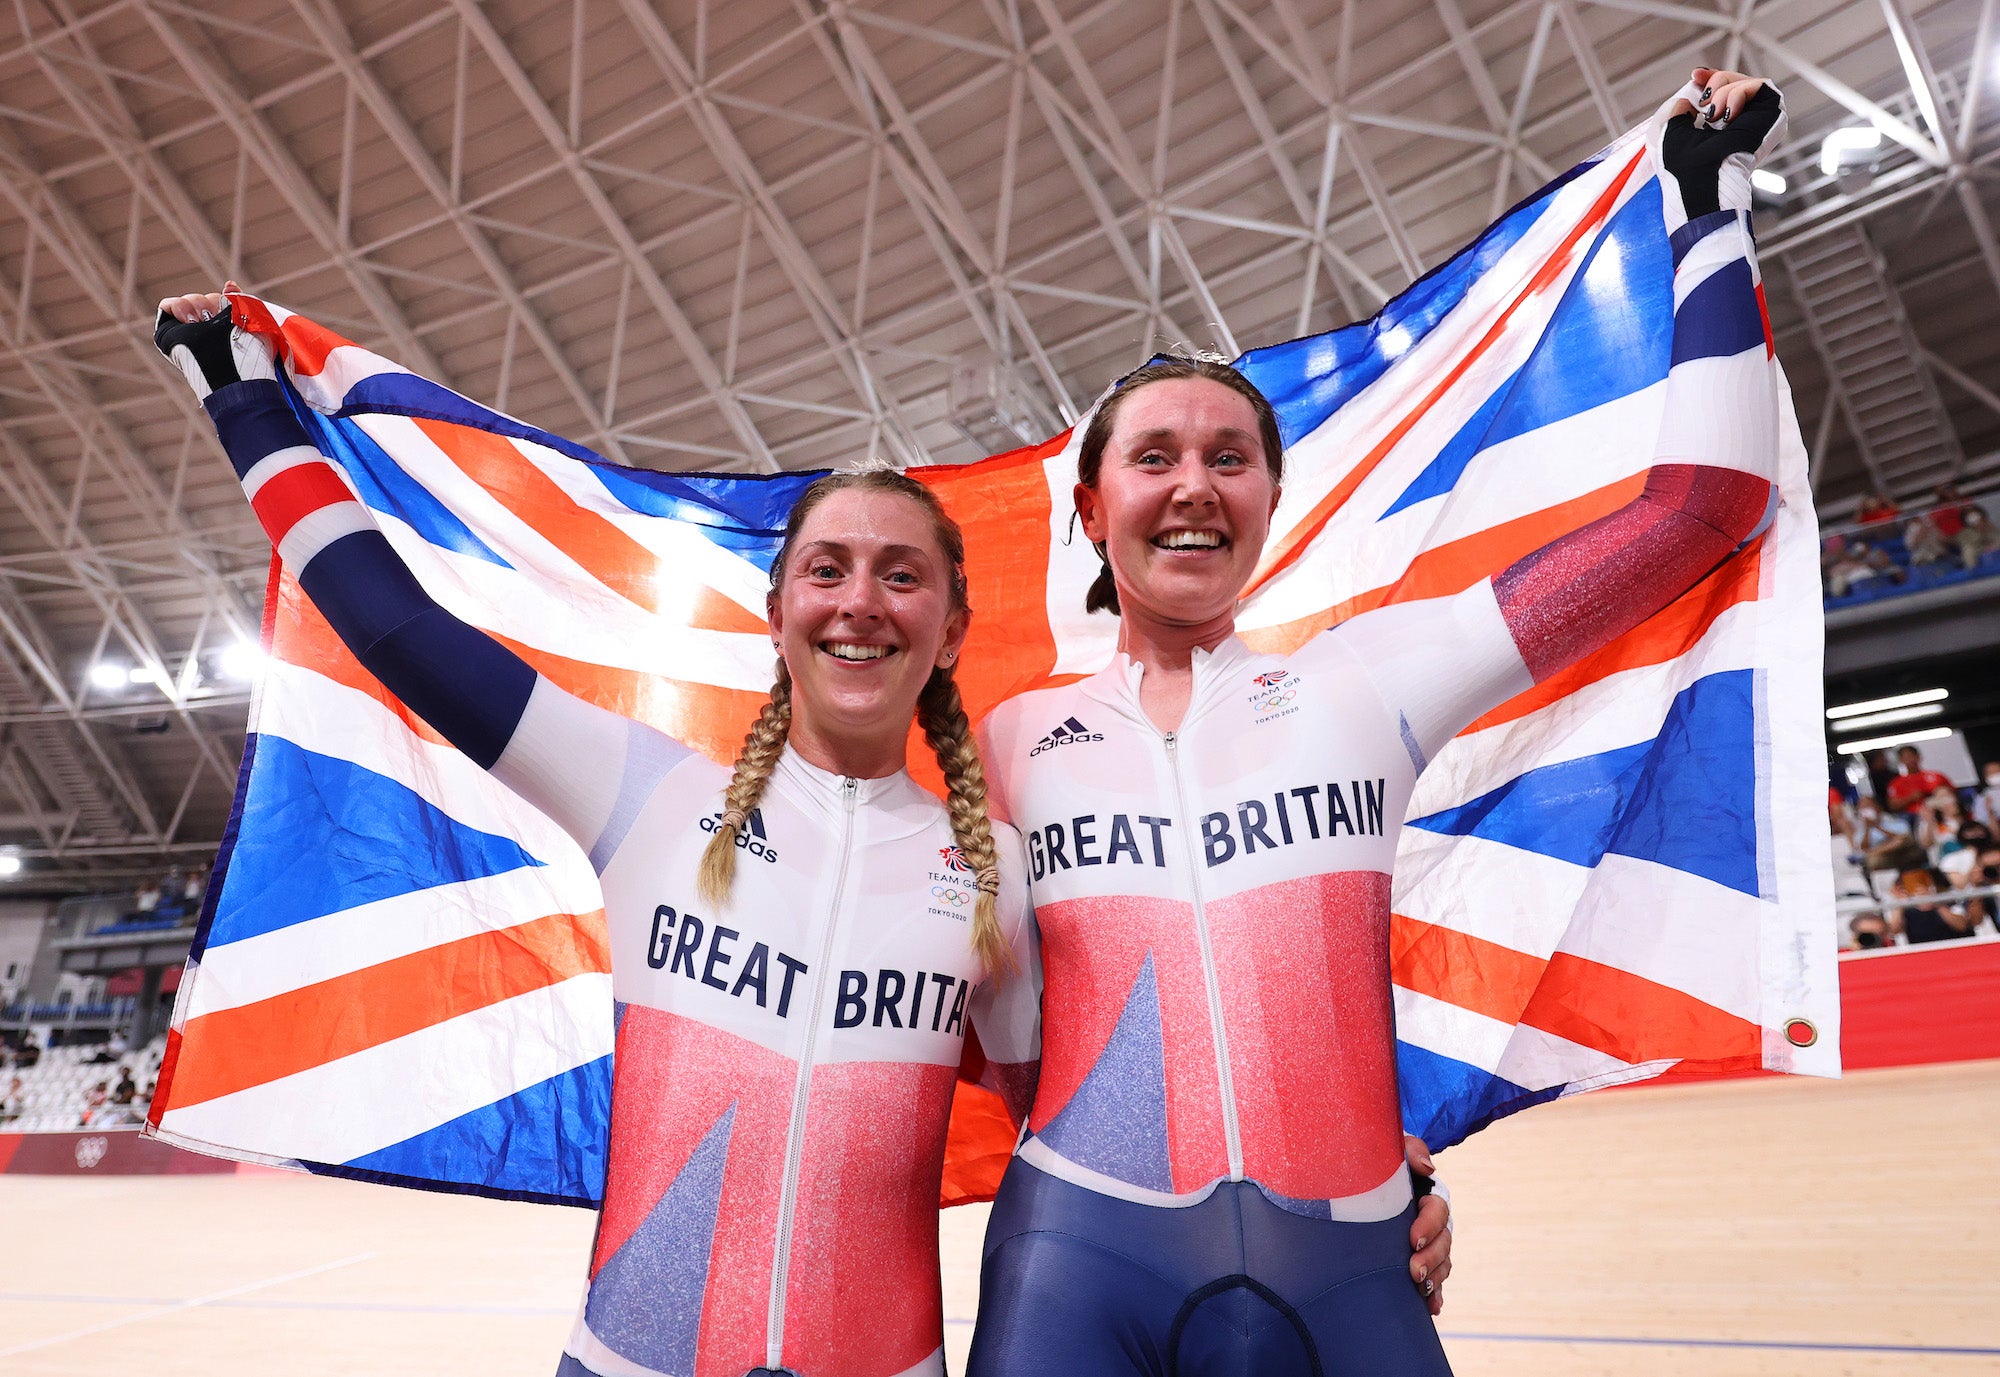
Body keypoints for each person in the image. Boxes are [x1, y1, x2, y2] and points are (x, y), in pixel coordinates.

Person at [967, 68, 1788, 1377]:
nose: (1194, 483)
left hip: (1348, 1258)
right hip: (1076, 1255)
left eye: (1230, 457)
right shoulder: (1011, 738)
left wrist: (1708, 209)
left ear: (1268, 504)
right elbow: (991, 1023)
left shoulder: (1369, 681)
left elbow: (1701, 510)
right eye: (1155, 456)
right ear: (1091, 511)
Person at [154, 297, 1046, 1377]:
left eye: (900, 575)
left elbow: (1058, 1138)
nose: (860, 601)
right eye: (826, 570)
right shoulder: (648, 795)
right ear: (775, 615)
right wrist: (242, 400)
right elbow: (397, 628)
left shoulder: (995, 878)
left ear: (950, 630)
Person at [1886, 869, 1975, 944]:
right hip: (1924, 955)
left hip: (1955, 947)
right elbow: (1894, 930)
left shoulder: (1949, 899)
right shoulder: (1907, 909)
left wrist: (1935, 902)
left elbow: (1961, 926)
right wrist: (1901, 903)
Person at [1885, 744, 1955, 818]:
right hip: (1913, 816)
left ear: (1918, 757)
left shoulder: (1936, 776)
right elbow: (1893, 806)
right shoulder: (1896, 783)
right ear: (1901, 760)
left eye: (1911, 756)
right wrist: (1910, 798)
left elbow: (1952, 793)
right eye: (1906, 757)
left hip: (1940, 811)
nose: (1910, 760)